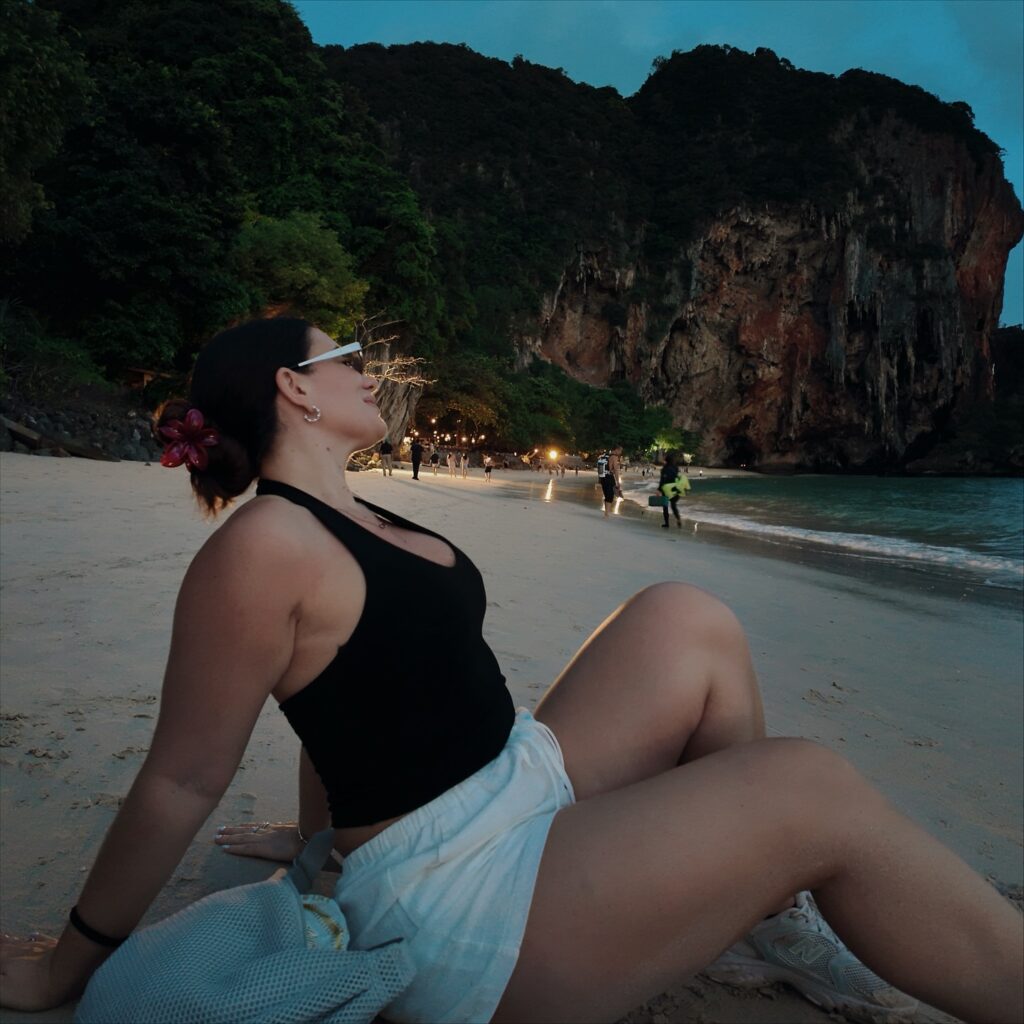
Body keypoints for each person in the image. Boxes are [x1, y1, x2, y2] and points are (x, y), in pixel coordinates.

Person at [2, 317, 1021, 1024]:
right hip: (464, 896)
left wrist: (316, 838)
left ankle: (765, 919)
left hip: (512, 784)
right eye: (347, 356)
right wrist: (66, 966)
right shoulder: (263, 545)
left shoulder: (351, 510)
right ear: (294, 388)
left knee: (684, 617)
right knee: (808, 787)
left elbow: (346, 697)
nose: (369, 370)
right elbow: (181, 779)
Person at [658, 453, 689, 529]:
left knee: (665, 506)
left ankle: (666, 523)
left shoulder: (664, 469)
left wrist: (659, 489)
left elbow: (662, 480)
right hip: (675, 487)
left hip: (666, 489)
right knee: (673, 505)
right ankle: (678, 518)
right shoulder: (675, 468)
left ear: (666, 460)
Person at [596, 449, 616, 517]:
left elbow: (599, 470)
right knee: (610, 496)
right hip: (609, 478)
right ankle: (607, 513)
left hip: (602, 478)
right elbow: (613, 470)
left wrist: (599, 480)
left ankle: (606, 512)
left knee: (606, 495)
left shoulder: (600, 458)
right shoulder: (611, 458)